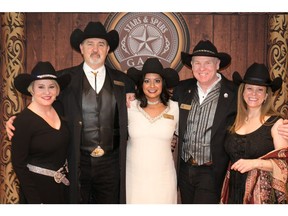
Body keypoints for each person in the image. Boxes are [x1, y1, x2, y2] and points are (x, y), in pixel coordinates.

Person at [6, 21, 134, 204]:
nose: (95, 49)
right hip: (77, 162)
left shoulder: (124, 82)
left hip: (111, 166)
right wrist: (17, 119)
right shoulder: (64, 80)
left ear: (108, 50)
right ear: (81, 48)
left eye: (101, 44)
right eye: (90, 44)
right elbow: (43, 103)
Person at [172, 40, 238, 204]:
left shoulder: (234, 93)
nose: (202, 68)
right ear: (191, 66)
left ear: (218, 64)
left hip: (212, 171)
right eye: (197, 63)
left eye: (207, 63)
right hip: (185, 168)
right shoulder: (181, 90)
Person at [220, 63, 288, 204]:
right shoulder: (233, 121)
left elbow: (284, 164)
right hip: (232, 192)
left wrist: (256, 163)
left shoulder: (276, 123)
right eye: (249, 89)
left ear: (266, 96)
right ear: (243, 92)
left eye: (259, 90)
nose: (253, 94)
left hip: (261, 196)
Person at [11, 61, 71, 204]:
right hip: (37, 192)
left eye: (51, 87)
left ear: (57, 91)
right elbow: (18, 165)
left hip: (62, 189)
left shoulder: (60, 110)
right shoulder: (23, 121)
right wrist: (35, 202)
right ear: (32, 90)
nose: (47, 92)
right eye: (41, 87)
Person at [125, 58, 179, 204]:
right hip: (134, 179)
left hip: (164, 179)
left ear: (163, 83)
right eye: (147, 81)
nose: (152, 85)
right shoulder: (130, 106)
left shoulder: (175, 108)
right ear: (141, 84)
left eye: (157, 81)